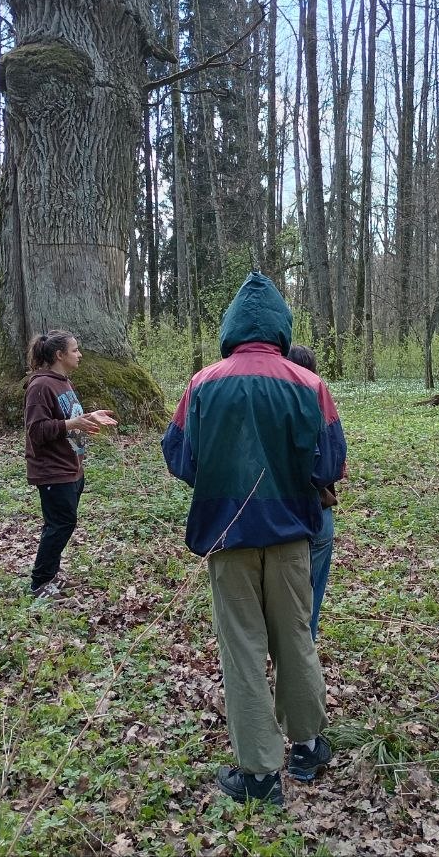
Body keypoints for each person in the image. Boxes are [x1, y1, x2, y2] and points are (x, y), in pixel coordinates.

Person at [162, 273, 346, 806]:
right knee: (294, 636)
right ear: (282, 328)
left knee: (242, 648)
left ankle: (261, 775)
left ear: (232, 327)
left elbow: (178, 454)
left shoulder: (202, 383)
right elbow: (332, 462)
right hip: (292, 536)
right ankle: (308, 746)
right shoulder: (309, 385)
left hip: (228, 537)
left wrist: (221, 483)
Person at [23, 330, 117, 598]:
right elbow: (37, 430)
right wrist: (73, 424)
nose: (80, 355)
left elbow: (67, 418)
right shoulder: (40, 386)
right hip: (53, 469)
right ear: (59, 355)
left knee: (61, 524)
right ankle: (40, 583)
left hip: (71, 465)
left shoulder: (63, 382)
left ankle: (51, 575)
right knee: (60, 524)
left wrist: (88, 417)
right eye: (75, 350)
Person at [286, 344, 338, 642]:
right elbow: (333, 464)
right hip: (316, 511)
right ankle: (305, 646)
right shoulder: (319, 398)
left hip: (282, 513)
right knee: (311, 592)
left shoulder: (272, 406)